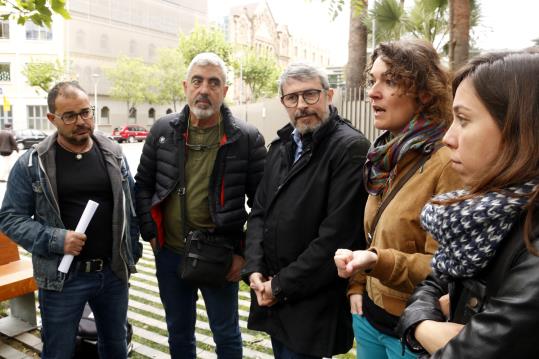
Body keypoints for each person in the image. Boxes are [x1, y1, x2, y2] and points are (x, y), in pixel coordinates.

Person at [396, 52, 539, 358]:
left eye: (463, 119)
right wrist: (423, 323)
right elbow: (433, 282)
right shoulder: (481, 213)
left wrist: (421, 321)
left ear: (519, 129)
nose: (448, 138)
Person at [333, 39, 462, 359]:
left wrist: (377, 261)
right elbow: (373, 232)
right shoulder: (385, 155)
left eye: (389, 81)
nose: (373, 92)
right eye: (373, 80)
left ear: (425, 93)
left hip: (413, 330)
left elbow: (446, 268)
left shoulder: (447, 162)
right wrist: (357, 285)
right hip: (369, 319)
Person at [135, 52, 266, 358]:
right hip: (170, 253)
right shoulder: (162, 131)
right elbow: (142, 184)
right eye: (197, 81)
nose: (204, 89)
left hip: (220, 256)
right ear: (185, 86)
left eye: (213, 82)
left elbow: (262, 206)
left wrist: (242, 255)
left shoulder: (246, 139)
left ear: (225, 90)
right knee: (178, 331)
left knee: (226, 333)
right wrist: (149, 228)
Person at [0, 81, 141, 359]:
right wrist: (56, 239)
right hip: (63, 278)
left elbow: (131, 206)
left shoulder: (113, 154)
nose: (81, 121)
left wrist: (130, 254)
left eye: (86, 112)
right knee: (58, 351)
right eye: (70, 116)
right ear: (52, 118)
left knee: (115, 347)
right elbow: (10, 218)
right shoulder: (32, 163)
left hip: (111, 274)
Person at [243, 62, 371, 358]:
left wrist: (279, 286)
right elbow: (259, 212)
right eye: (292, 98)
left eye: (310, 95)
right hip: (274, 294)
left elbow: (336, 237)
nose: (301, 105)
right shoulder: (282, 146)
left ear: (330, 95)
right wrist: (254, 271)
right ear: (283, 103)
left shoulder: (349, 149)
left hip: (311, 303)